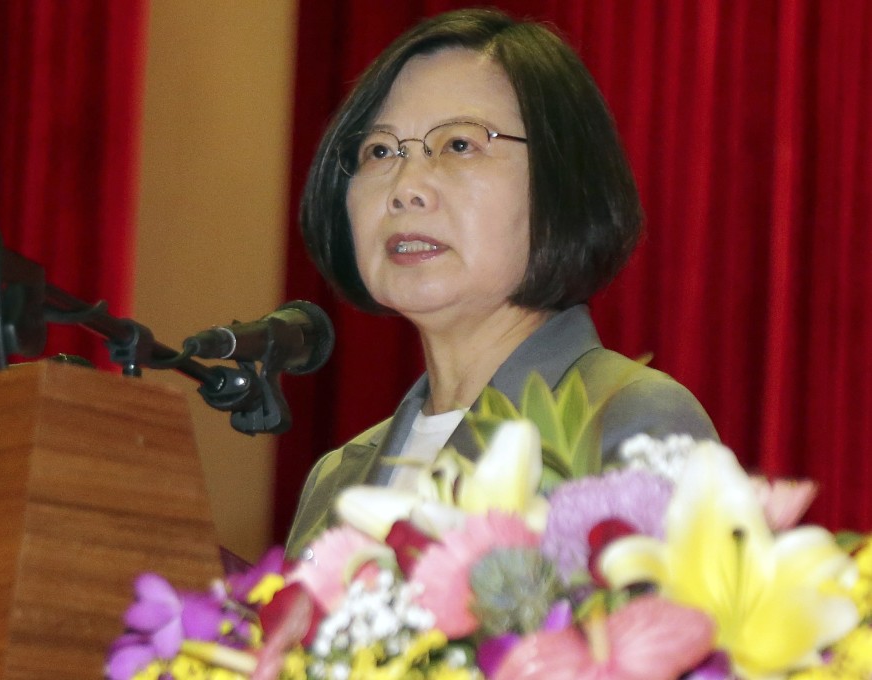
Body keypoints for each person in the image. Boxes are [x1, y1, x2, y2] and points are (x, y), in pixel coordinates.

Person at [285, 8, 717, 558]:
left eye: (459, 144)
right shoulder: (337, 479)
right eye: (380, 151)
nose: (405, 187)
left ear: (561, 179)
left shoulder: (630, 422)